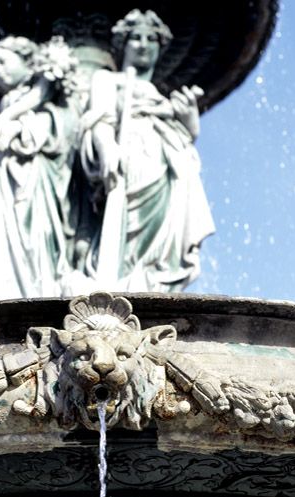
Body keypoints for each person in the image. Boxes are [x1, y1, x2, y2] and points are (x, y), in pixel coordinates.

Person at [75, 9, 215, 293]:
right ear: (122, 45)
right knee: (120, 232)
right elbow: (98, 119)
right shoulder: (107, 80)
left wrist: (189, 120)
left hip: (164, 172)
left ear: (160, 48)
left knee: (159, 246)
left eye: (151, 39)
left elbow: (185, 137)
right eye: (135, 38)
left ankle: (149, 286)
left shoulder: (161, 96)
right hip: (128, 163)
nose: (143, 45)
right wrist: (106, 147)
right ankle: (113, 286)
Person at [0, 36, 81, 299]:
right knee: (0, 238)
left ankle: (32, 295)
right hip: (4, 182)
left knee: (32, 241)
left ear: (28, 61)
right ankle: (7, 297)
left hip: (35, 183)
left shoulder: (51, 96)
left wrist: (19, 127)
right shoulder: (12, 100)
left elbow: (65, 126)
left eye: (3, 61)